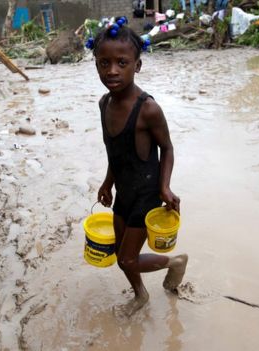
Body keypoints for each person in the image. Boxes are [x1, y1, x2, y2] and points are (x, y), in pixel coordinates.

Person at [87, 18, 188, 316]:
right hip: (123, 191)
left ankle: (175, 262)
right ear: (96, 65)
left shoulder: (148, 109)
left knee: (126, 259)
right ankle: (140, 294)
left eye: (122, 62)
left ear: (137, 65)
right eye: (103, 63)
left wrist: (165, 187)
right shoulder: (104, 104)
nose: (112, 71)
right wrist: (107, 183)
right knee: (120, 254)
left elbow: (167, 148)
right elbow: (115, 152)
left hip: (146, 193)